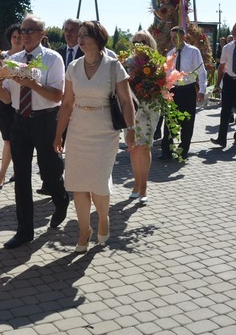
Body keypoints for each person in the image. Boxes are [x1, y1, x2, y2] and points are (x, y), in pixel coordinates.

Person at [54, 20, 136, 252]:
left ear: (98, 38)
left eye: (85, 34)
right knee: (78, 183)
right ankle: (83, 231)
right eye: (78, 34)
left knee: (98, 182)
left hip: (105, 131)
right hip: (78, 128)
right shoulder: (74, 67)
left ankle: (102, 217)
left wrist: (130, 130)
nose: (80, 39)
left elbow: (126, 101)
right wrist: (59, 134)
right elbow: (67, 103)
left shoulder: (113, 66)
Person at [0, 15, 69, 249]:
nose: (25, 34)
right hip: (20, 121)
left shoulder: (51, 59)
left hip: (45, 121)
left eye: (31, 30)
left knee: (50, 171)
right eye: (23, 30)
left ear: (41, 34)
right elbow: (6, 98)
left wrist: (32, 85)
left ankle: (61, 198)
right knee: (21, 177)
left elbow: (58, 96)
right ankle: (24, 231)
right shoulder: (13, 59)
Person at [160, 26, 206, 160]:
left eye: (176, 37)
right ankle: (166, 151)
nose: (173, 40)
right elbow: (167, 73)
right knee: (169, 121)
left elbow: (201, 72)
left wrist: (202, 90)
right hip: (173, 91)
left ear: (184, 37)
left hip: (188, 90)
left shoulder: (193, 52)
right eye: (171, 37)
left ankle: (182, 150)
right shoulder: (170, 53)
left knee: (187, 122)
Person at [124, 30, 160, 204]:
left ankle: (144, 186)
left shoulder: (156, 63)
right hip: (131, 108)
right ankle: (136, 184)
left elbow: (163, 85)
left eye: (143, 42)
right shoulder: (127, 63)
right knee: (133, 147)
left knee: (144, 147)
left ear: (149, 44)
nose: (139, 45)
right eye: (136, 42)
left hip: (149, 107)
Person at [0, 23, 23, 189]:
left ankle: (1, 175)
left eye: (20, 37)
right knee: (8, 139)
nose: (17, 40)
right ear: (10, 38)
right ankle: (15, 171)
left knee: (11, 141)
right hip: (3, 101)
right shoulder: (2, 57)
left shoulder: (29, 58)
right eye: (14, 37)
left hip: (20, 102)